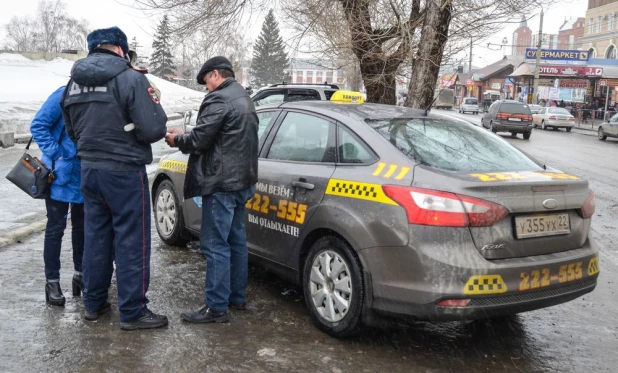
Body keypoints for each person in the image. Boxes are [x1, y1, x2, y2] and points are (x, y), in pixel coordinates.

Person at [61, 26, 168, 330]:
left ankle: (94, 304)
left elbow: (71, 129)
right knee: (131, 240)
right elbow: (153, 129)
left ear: (93, 49)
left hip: (90, 170)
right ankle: (133, 311)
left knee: (96, 237)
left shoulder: (73, 84)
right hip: (124, 171)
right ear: (120, 49)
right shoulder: (131, 78)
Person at [165, 56, 258, 324]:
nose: (206, 87)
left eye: (206, 81)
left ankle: (216, 307)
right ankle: (236, 298)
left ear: (215, 75)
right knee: (236, 241)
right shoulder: (243, 96)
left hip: (221, 184)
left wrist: (176, 139)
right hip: (243, 182)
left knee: (215, 245)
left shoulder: (218, 98)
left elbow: (200, 139)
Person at [30, 87, 84, 307]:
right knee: (55, 229)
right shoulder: (63, 94)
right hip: (58, 174)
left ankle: (80, 275)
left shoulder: (95, 92)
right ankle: (52, 282)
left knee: (83, 228)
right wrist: (57, 153)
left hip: (84, 174)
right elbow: (38, 125)